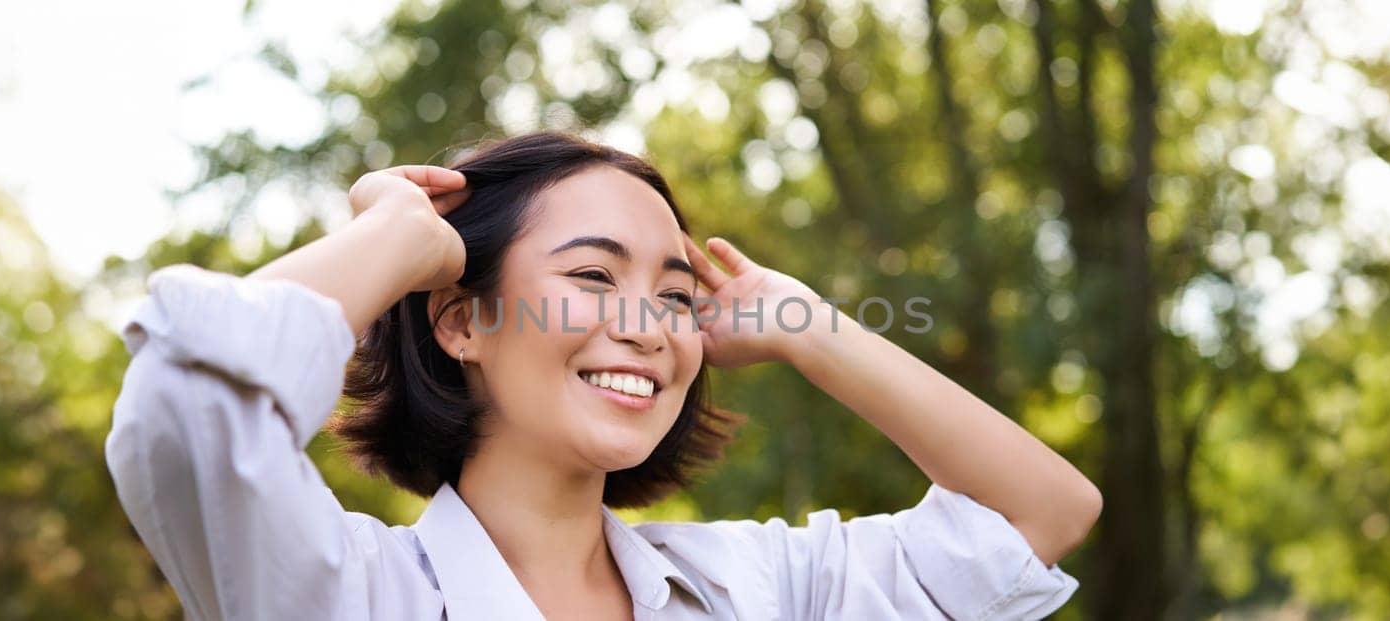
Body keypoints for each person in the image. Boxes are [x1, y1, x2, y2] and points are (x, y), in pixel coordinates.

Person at [105, 131, 1101, 620]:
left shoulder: (754, 590)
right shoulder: (343, 593)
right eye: (590, 275)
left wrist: (812, 330)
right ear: (462, 321)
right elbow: (182, 402)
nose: (648, 327)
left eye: (674, 295)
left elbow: (1037, 516)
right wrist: (392, 238)